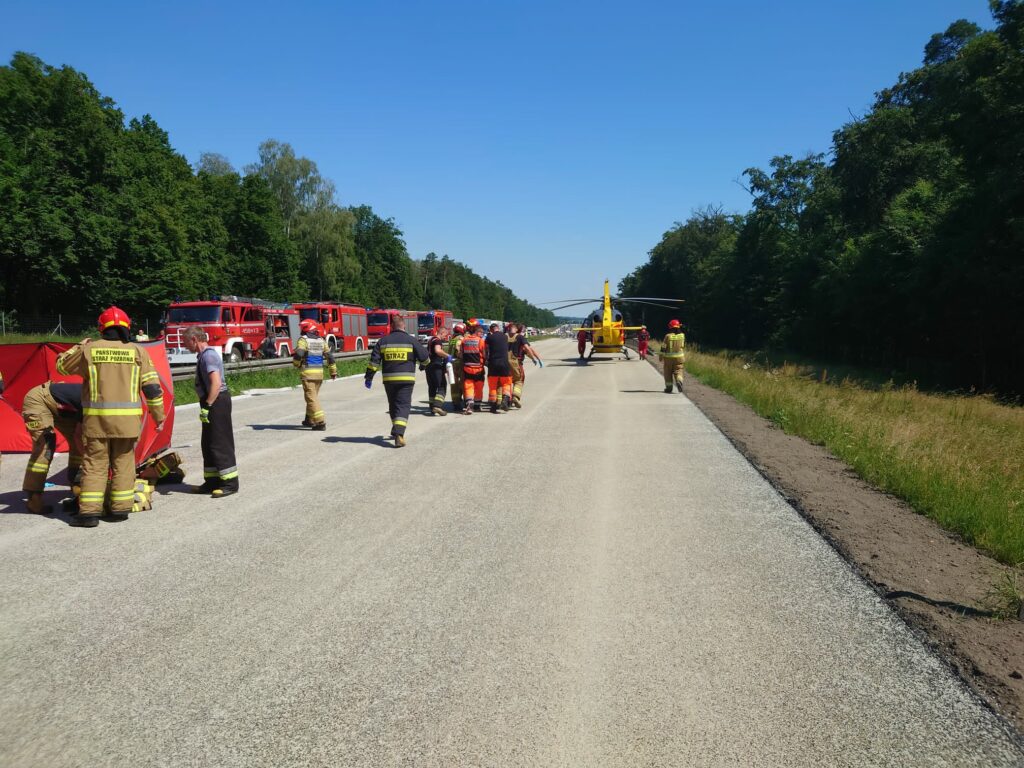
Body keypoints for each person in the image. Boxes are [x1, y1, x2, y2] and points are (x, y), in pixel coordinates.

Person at [55, 306, 165, 526]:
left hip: (97, 422)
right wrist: (158, 416)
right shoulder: (138, 352)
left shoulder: (90, 350)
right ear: (127, 327)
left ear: (101, 328)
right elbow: (153, 389)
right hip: (128, 423)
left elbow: (61, 367)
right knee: (124, 464)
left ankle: (89, 514)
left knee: (95, 465)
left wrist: (79, 346)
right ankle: (120, 509)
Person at [182, 326, 238, 497]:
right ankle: (212, 481)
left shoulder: (209, 356)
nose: (185, 347)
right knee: (208, 443)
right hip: (212, 401)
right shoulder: (203, 356)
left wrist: (207, 405)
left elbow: (216, 383)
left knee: (220, 443)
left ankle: (230, 483)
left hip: (217, 401)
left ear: (194, 339)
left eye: (186, 343)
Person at [364, 314, 428, 447]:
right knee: (403, 405)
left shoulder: (382, 341)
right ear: (404, 325)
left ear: (391, 326)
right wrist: (424, 365)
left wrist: (369, 377)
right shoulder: (411, 340)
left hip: (389, 380)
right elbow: (425, 357)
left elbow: (374, 362)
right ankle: (399, 434)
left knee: (393, 405)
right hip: (406, 379)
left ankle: (396, 429)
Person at [20, 381, 84, 514]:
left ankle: (76, 485)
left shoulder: (105, 403)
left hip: (64, 408)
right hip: (38, 400)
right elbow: (80, 435)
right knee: (46, 446)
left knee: (79, 444)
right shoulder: (92, 400)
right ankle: (34, 498)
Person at [293, 318, 337, 430]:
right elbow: (330, 357)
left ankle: (320, 422)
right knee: (312, 397)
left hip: (308, 374)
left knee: (311, 398)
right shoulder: (321, 340)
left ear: (305, 328)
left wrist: (296, 364)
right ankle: (309, 420)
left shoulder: (304, 340)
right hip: (319, 374)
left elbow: (299, 353)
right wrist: (333, 371)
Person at [507, 322, 544, 408]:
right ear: (519, 330)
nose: (525, 332)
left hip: (505, 363)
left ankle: (506, 399)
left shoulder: (506, 336)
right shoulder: (521, 338)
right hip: (517, 363)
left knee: (507, 381)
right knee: (519, 380)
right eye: (524, 330)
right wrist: (535, 359)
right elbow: (528, 349)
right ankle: (515, 396)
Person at [458, 319, 486, 414]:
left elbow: (460, 355)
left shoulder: (464, 340)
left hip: (467, 368)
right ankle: (477, 406)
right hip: (478, 368)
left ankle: (469, 403)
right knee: (479, 387)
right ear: (476, 331)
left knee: (468, 386)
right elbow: (484, 354)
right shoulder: (480, 341)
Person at [484, 323, 513, 413]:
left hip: (493, 364)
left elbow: (485, 350)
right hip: (504, 363)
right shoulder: (505, 337)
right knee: (506, 383)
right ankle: (505, 400)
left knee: (493, 386)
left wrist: (486, 360)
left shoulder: (489, 338)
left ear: (491, 330)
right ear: (498, 328)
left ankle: (493, 406)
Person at [425, 327, 451, 416]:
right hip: (436, 366)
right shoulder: (437, 341)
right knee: (442, 386)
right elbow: (438, 350)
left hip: (428, 366)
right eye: (445, 335)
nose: (446, 337)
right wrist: (447, 356)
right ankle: (437, 406)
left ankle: (432, 407)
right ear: (442, 332)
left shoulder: (431, 339)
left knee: (432, 387)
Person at [659, 319, 686, 393]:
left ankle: (669, 388)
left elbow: (663, 347)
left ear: (670, 327)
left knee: (667, 373)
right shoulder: (682, 335)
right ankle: (679, 380)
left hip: (668, 359)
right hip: (679, 358)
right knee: (678, 371)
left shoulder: (667, 336)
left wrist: (660, 356)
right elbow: (683, 346)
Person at [447, 323, 466, 412]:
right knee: (461, 382)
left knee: (454, 384)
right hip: (459, 363)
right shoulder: (460, 339)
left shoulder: (452, 339)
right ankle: (459, 402)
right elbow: (458, 352)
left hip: (451, 363)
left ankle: (455, 401)